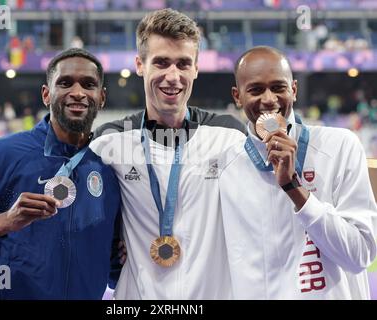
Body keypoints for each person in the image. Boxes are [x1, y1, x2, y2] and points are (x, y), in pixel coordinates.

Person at [0, 48, 121, 299]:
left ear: (101, 98)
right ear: (46, 94)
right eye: (65, 83)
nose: (78, 93)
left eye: (89, 85)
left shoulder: (110, 169)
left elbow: (109, 264)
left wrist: (123, 260)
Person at [90, 8, 246, 299]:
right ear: (140, 64)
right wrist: (110, 247)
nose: (172, 76)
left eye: (183, 64)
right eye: (161, 62)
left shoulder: (231, 136)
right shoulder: (108, 142)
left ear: (196, 69)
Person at [219, 46, 377, 299]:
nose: (269, 99)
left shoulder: (340, 146)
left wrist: (294, 188)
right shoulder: (225, 165)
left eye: (278, 87)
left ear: (293, 89)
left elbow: (360, 255)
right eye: (256, 89)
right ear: (237, 96)